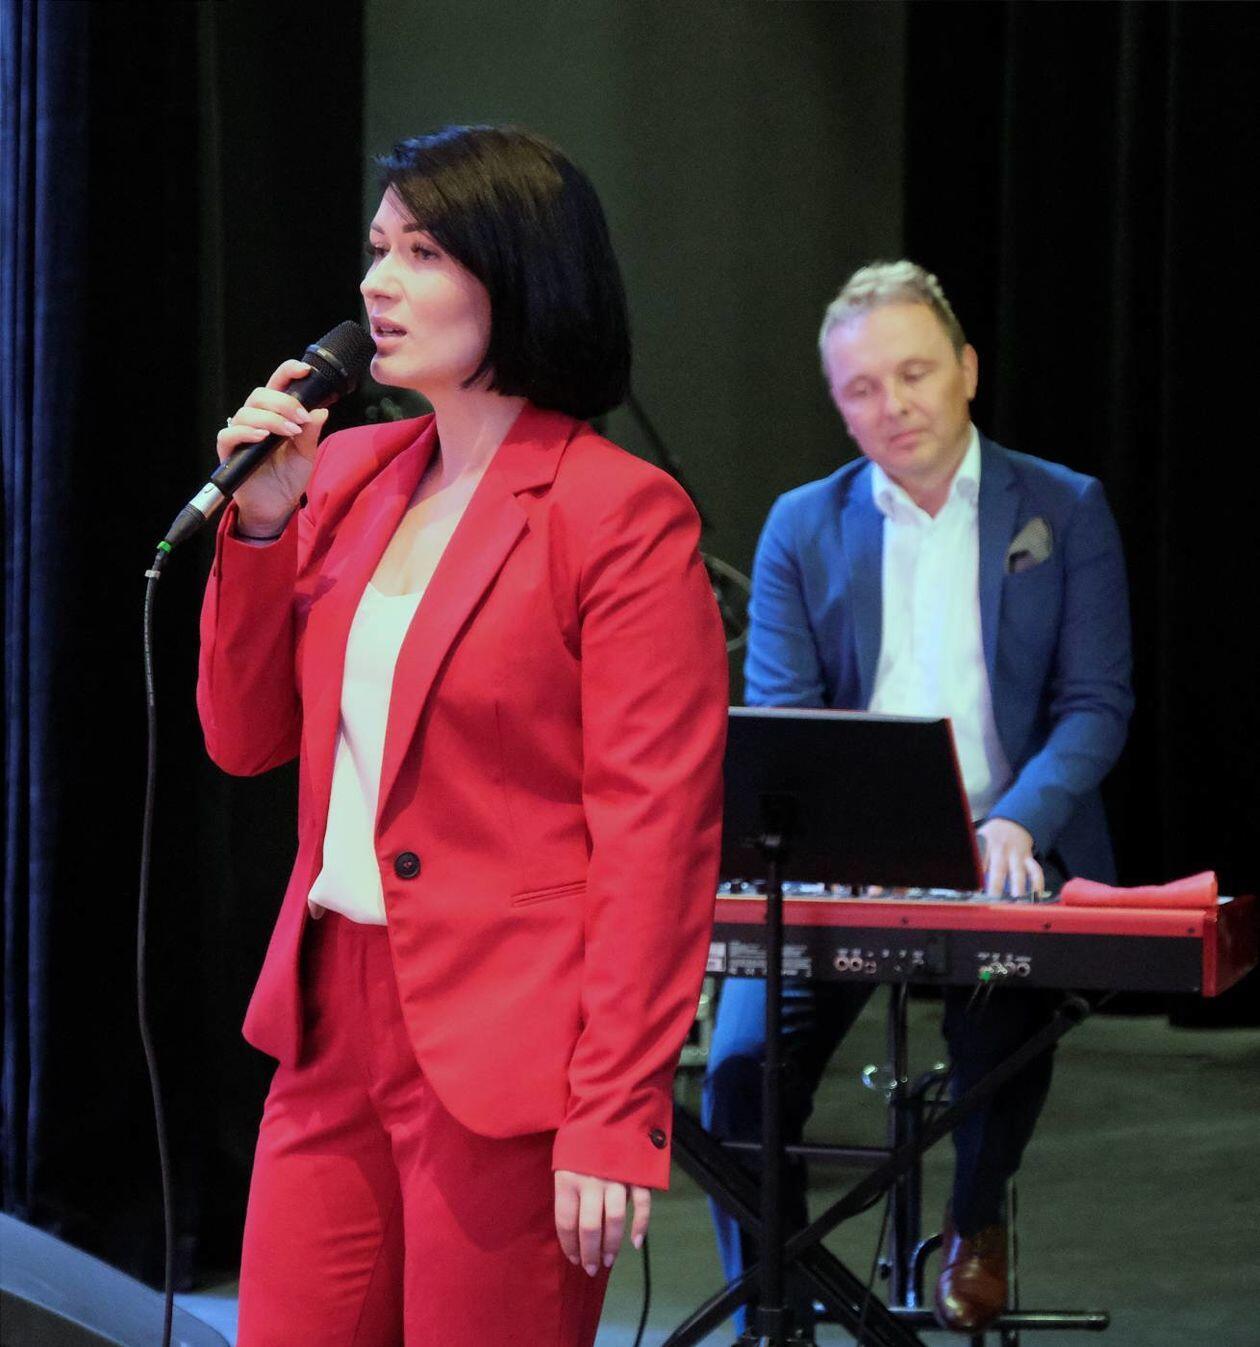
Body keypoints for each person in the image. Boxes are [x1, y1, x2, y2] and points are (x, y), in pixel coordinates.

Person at [197, 124, 729, 1347]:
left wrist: (617, 1105)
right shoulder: (348, 474)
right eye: (378, 249)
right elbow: (243, 738)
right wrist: (262, 528)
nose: (377, 283)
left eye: (423, 253)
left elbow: (655, 839)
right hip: (331, 1017)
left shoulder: (619, 513)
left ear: (523, 273)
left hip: (512, 1048)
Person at [702, 260, 1132, 1335]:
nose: (892, 404)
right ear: (838, 406)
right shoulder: (803, 523)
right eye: (861, 388)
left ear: (967, 369)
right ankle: (778, 1296)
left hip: (1010, 847)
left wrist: (1020, 818)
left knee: (1000, 1037)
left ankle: (973, 1222)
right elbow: (786, 715)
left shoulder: (1065, 507)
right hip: (844, 856)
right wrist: (833, 841)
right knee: (741, 1072)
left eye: (914, 373)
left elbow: (1095, 703)